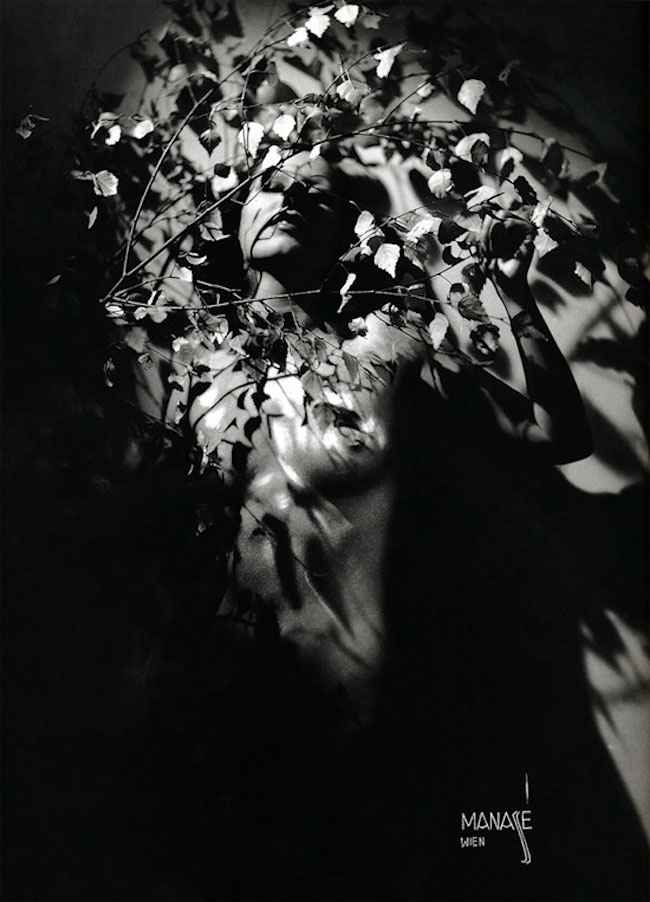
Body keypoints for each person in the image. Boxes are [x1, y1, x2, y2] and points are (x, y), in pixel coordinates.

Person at [123, 150, 647, 901]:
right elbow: (147, 550)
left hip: (391, 725)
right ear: (234, 221)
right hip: (245, 725)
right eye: (269, 184)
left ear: (350, 230)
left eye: (317, 194)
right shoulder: (188, 367)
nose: (289, 195)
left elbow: (554, 433)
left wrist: (508, 291)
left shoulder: (392, 350)